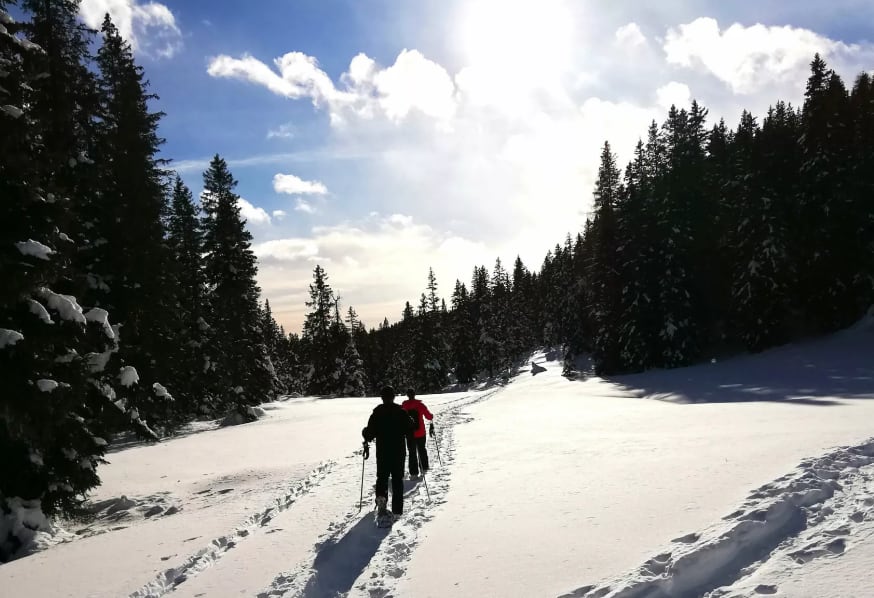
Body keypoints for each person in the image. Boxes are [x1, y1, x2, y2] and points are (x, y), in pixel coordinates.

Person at [362, 385, 414, 518]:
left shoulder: (377, 412)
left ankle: (381, 501)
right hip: (398, 451)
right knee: (397, 479)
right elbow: (410, 429)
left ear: (382, 397)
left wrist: (364, 432)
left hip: (383, 452)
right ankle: (397, 510)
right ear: (393, 397)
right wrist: (412, 422)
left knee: (382, 478)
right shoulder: (401, 411)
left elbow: (369, 434)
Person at [401, 388, 433, 478]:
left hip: (409, 433)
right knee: (422, 449)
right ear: (414, 394)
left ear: (407, 395)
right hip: (420, 432)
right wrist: (431, 416)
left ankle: (413, 473)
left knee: (412, 452)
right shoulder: (420, 405)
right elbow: (428, 416)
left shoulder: (404, 406)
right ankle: (424, 468)